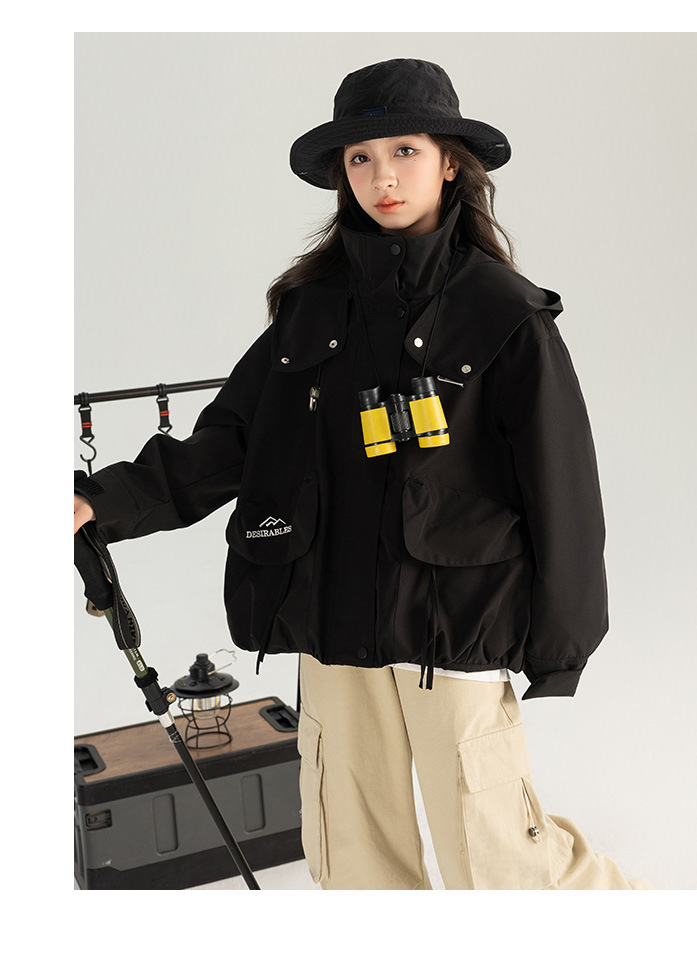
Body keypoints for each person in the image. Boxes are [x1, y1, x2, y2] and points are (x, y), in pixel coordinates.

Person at [74, 58, 652, 890]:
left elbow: (563, 489)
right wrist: (98, 501)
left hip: (452, 625)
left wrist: (561, 643)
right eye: (361, 158)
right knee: (352, 858)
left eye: (405, 151)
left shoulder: (505, 313)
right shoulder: (310, 309)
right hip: (333, 624)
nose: (383, 177)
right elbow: (231, 440)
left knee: (497, 858)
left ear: (449, 163)